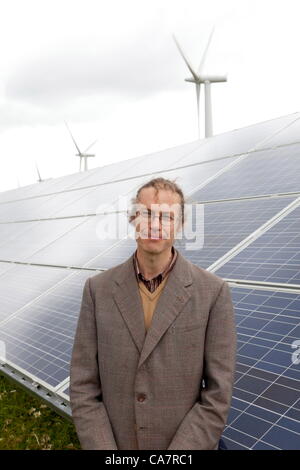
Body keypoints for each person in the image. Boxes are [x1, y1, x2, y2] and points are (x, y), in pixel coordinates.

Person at [69, 177, 237, 450]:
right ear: (133, 219)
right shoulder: (97, 290)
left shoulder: (213, 293)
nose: (154, 225)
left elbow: (217, 395)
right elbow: (83, 385)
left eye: (166, 217)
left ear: (181, 225)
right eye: (146, 213)